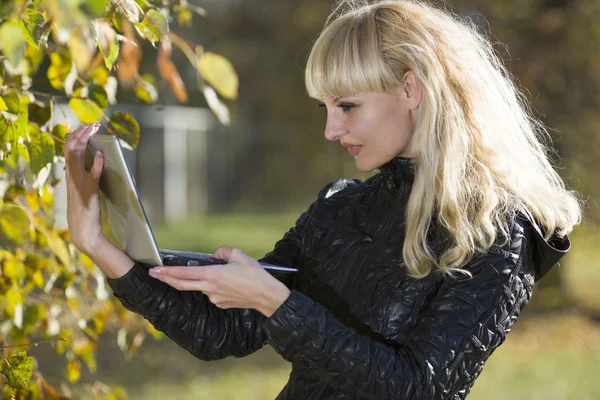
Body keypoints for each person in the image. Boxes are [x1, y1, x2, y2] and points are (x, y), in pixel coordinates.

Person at [65, 0, 582, 398]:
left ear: (412, 89)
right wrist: (98, 244)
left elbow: (418, 388)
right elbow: (221, 332)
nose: (332, 129)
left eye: (348, 106)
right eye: (325, 107)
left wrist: (276, 300)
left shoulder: (495, 230)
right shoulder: (340, 206)